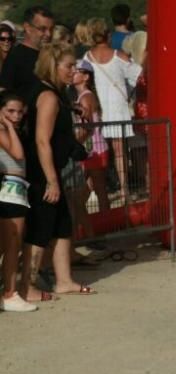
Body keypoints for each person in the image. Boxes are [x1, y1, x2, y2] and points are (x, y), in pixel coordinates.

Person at [23, 43, 95, 299]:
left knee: (62, 225)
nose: (72, 70)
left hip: (51, 168)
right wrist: (52, 181)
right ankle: (27, 285)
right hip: (43, 172)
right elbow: (42, 140)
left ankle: (64, 280)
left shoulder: (56, 94)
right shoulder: (49, 96)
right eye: (68, 66)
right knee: (40, 229)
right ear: (54, 66)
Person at [82, 18, 142, 198]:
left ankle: (94, 188)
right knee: (119, 152)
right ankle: (124, 188)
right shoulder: (119, 56)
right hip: (117, 107)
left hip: (96, 106)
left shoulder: (86, 57)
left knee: (95, 150)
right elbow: (137, 75)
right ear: (108, 35)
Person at [0, 91, 35, 312]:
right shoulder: (4, 130)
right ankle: (10, 292)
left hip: (16, 189)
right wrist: (10, 126)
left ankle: (9, 292)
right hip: (8, 189)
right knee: (11, 243)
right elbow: (18, 154)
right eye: (10, 111)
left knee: (11, 243)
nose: (16, 115)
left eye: (20, 112)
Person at [72, 59, 109, 213]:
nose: (72, 72)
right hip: (92, 150)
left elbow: (88, 127)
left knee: (99, 190)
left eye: (77, 70)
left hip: (94, 150)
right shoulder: (83, 96)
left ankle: (107, 226)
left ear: (86, 76)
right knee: (86, 192)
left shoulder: (86, 97)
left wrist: (72, 143)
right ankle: (91, 228)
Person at [0, 6, 54, 96]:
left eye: (51, 29)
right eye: (42, 29)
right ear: (27, 27)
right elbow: (4, 94)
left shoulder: (52, 56)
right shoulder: (15, 58)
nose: (48, 34)